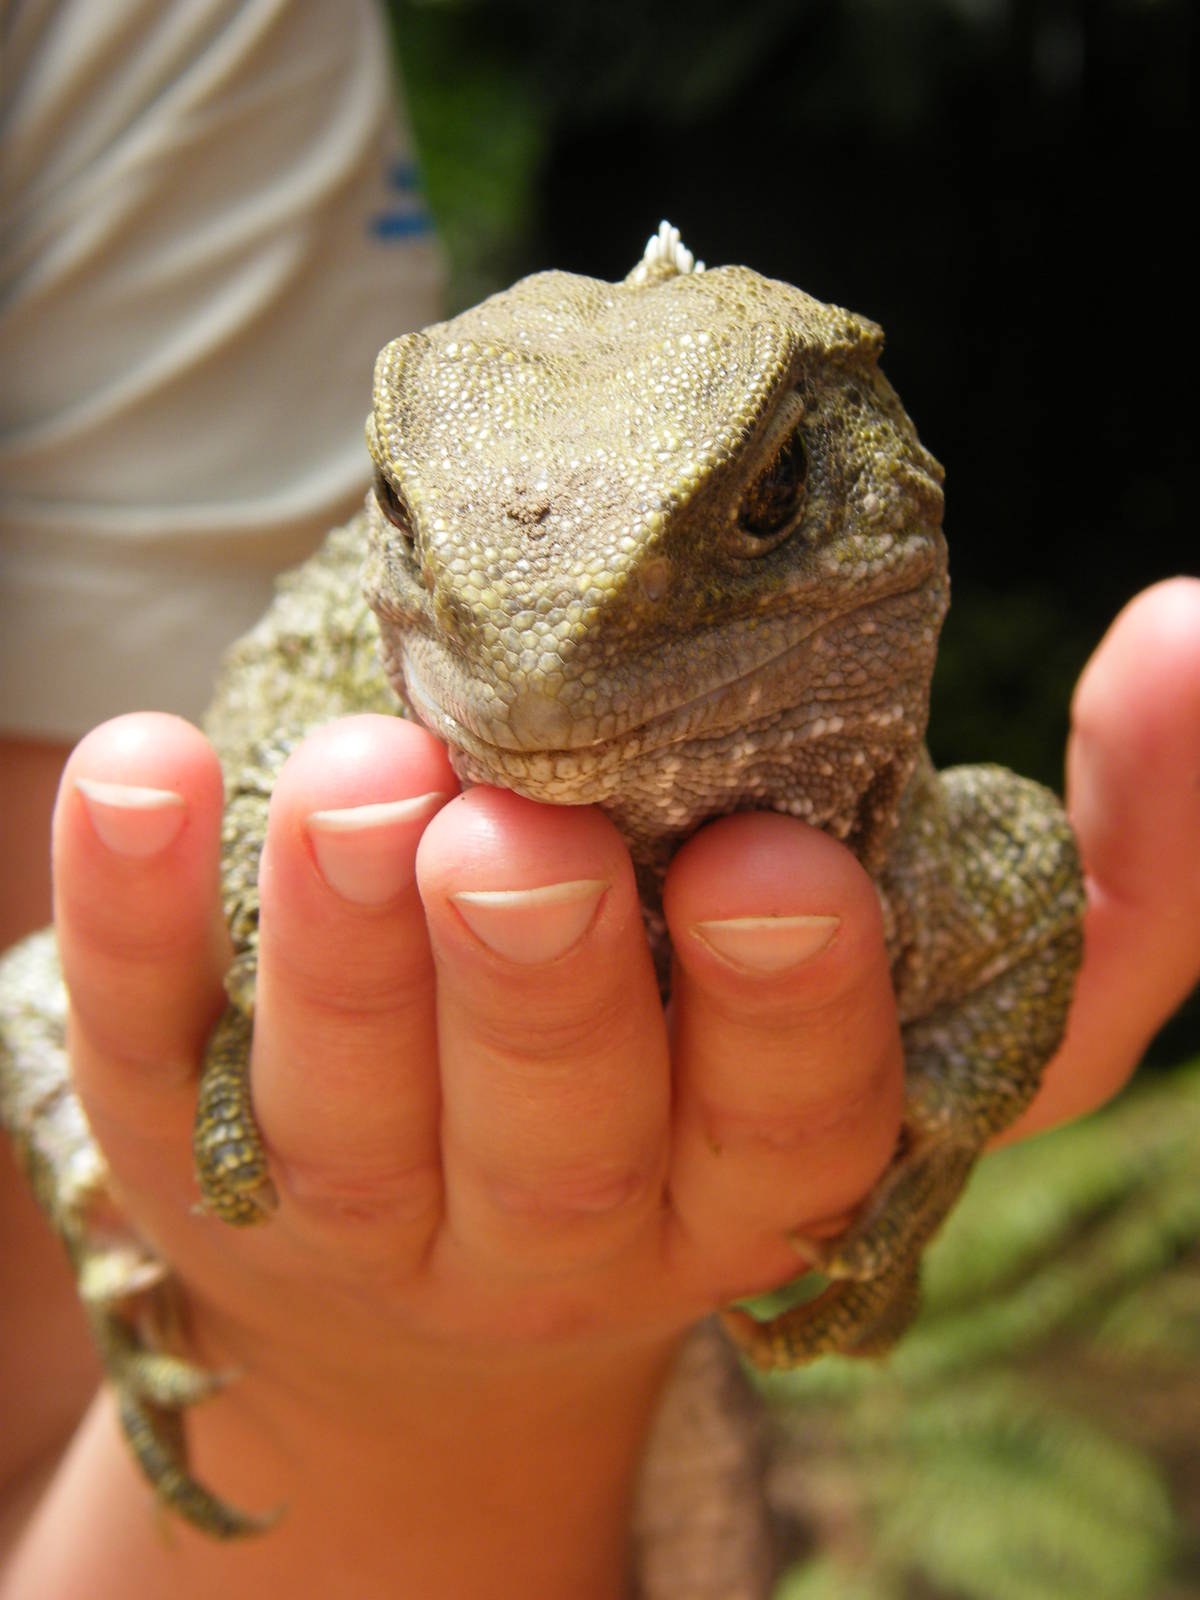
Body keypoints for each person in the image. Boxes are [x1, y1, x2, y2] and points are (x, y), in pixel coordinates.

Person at [0, 577, 1197, 1600]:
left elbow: (1029, 880)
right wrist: (257, 1323)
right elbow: (35, 998)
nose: (554, 666)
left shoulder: (933, 853)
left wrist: (945, 1107)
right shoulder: (320, 715)